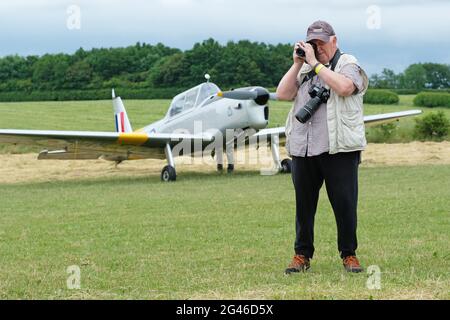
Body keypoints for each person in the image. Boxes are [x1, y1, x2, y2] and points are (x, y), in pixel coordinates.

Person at [276, 20, 369, 273]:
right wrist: (298, 63)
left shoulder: (347, 64)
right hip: (303, 148)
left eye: (322, 43)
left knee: (344, 204)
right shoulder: (305, 69)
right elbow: (282, 94)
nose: (318, 48)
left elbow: (345, 87)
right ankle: (301, 255)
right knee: (304, 206)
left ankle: (349, 254)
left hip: (339, 149)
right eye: (313, 44)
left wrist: (315, 64)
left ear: (334, 41)